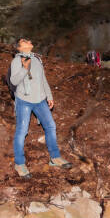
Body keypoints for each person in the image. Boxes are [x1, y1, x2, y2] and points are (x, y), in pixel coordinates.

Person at [9, 38, 71, 178]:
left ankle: (54, 158)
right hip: (24, 100)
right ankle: (19, 163)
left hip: (40, 100)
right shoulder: (16, 61)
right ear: (19, 47)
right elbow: (13, 81)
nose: (30, 40)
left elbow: (43, 79)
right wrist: (24, 69)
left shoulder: (36, 59)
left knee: (50, 126)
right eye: (25, 40)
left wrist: (49, 96)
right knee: (22, 131)